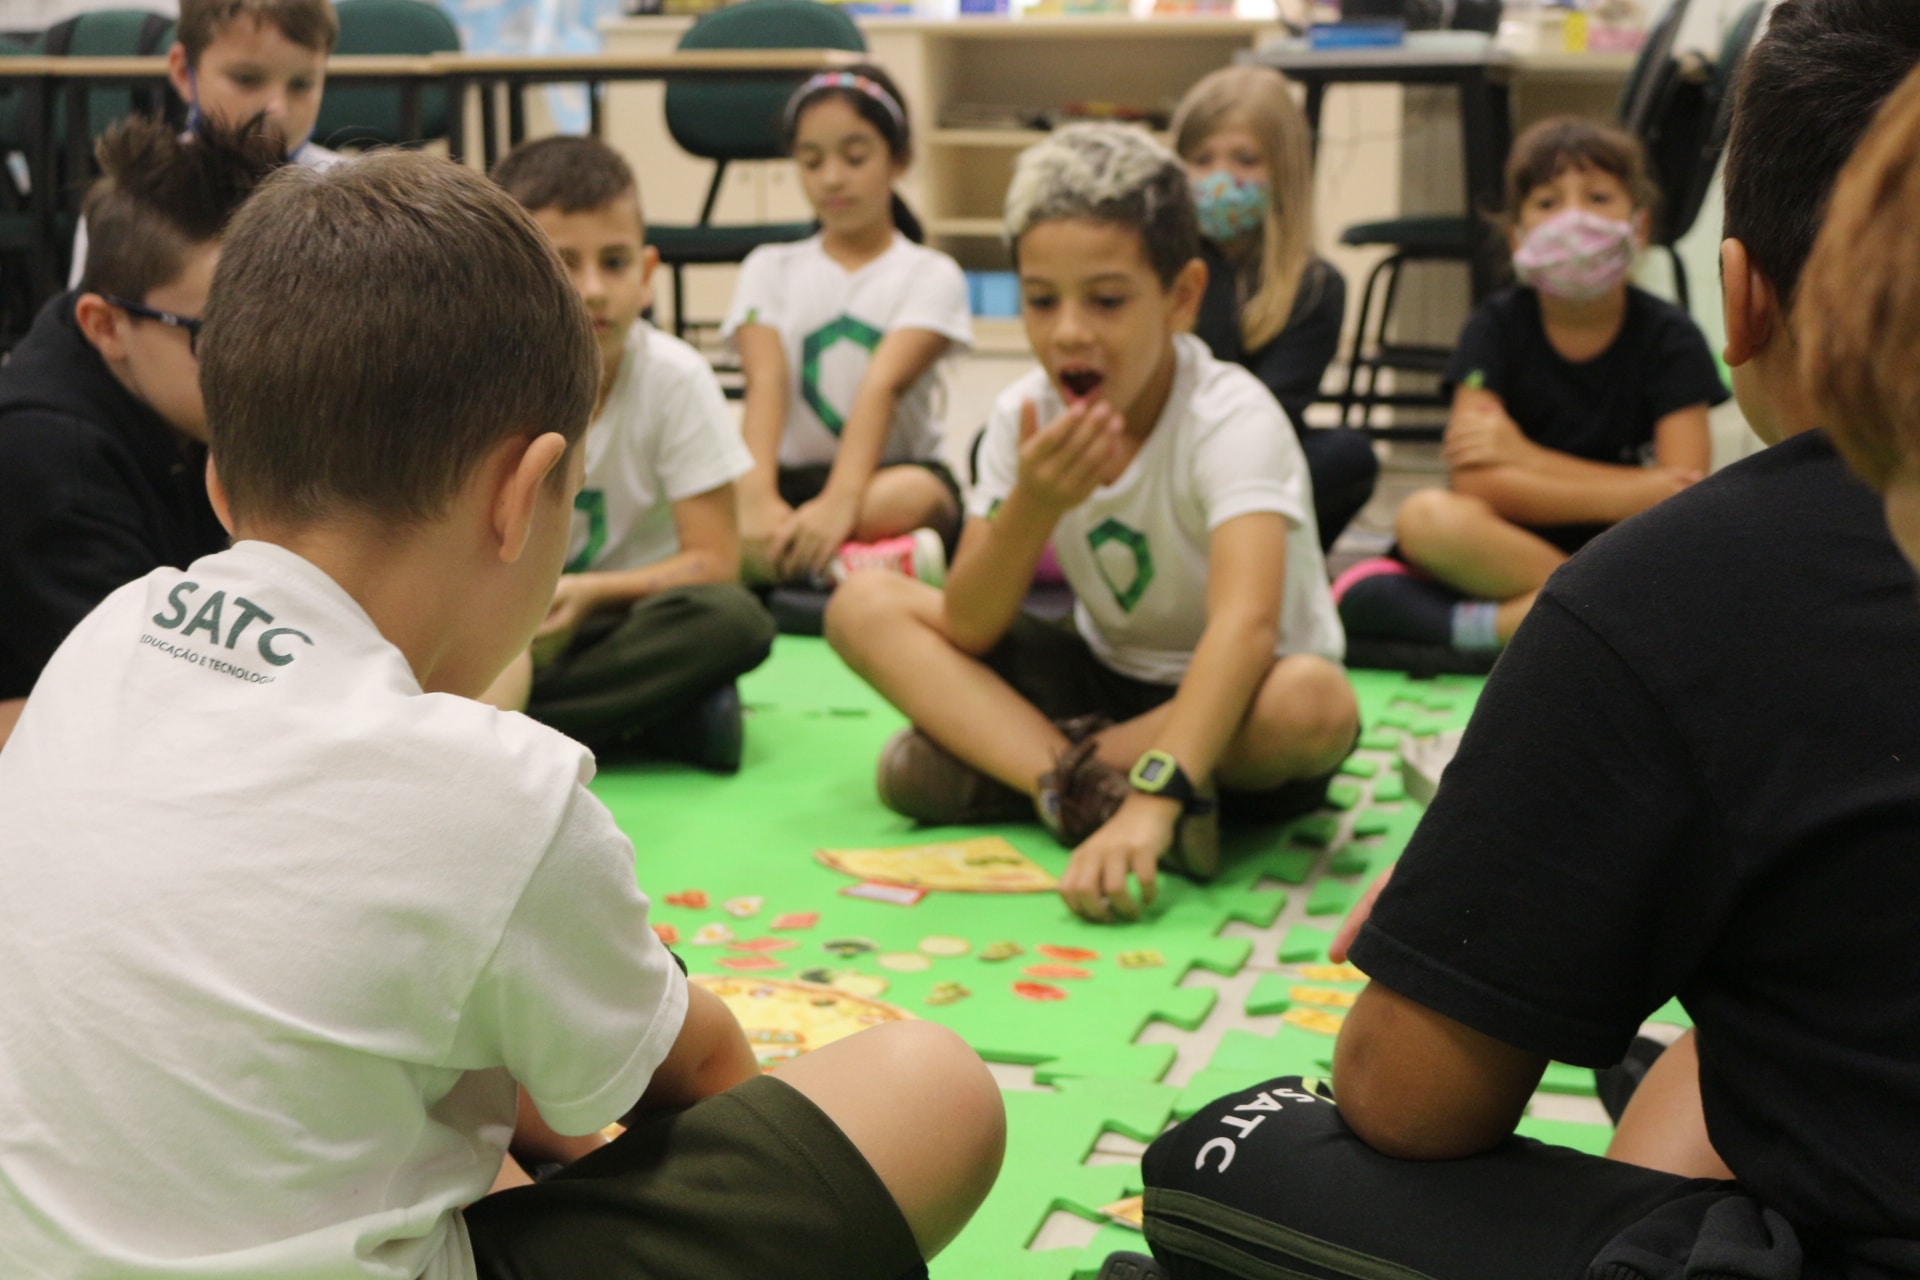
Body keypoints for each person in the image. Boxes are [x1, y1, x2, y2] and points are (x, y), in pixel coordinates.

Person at [0, 150, 1004, 1278]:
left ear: (223, 481)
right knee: (935, 1090)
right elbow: (708, 1078)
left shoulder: (103, 636)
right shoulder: (495, 787)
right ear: (523, 497)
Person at [1136, 4, 1920, 1276]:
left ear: (1743, 297)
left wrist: (1523, 878)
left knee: (1220, 1155)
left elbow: (1405, 1097)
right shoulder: (1633, 521)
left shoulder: (1684, 586)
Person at [826, 124, 1357, 925]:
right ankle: (1076, 789)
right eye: (1041, 300)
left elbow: (1246, 630)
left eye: (1107, 300)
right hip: (1100, 685)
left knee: (1315, 702)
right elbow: (969, 624)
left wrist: (1152, 800)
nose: (1069, 330)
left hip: (1240, 693)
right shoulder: (1021, 416)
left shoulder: (1231, 415)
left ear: (1180, 297)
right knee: (861, 603)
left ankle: (1044, 776)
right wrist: (1032, 506)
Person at [1337, 116, 1725, 657]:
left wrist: (1524, 456)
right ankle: (1591, 617)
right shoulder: (1493, 328)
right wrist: (1637, 488)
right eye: (1547, 202)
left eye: (1597, 197)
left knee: (1693, 564)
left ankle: (1485, 629)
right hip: (1507, 547)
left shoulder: (1671, 337)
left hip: (1622, 547)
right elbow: (1476, 485)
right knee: (1427, 516)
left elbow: (1684, 497)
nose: (1572, 217)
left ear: (1638, 227)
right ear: (1517, 236)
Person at [485, 135, 774, 773]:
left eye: (614, 264)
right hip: (495, 624)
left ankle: (511, 731)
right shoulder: (477, 382)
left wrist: (588, 593)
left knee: (732, 619)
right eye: (565, 264)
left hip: (610, 623)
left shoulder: (676, 378)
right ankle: (659, 719)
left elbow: (716, 560)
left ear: (647, 275)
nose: (592, 290)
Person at [0, 116, 279, 753]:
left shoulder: (177, 390)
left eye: (283, 322)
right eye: (219, 336)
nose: (267, 363)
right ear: (104, 325)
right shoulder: (48, 463)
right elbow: (156, 711)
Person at [723, 64, 972, 589]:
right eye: (811, 162)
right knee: (714, 510)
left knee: (914, 498)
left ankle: (791, 560)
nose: (832, 178)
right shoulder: (768, 266)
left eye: (855, 158)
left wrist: (841, 502)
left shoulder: (931, 272)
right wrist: (757, 499)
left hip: (883, 481)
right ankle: (850, 563)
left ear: (898, 159)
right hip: (792, 484)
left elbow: (884, 386)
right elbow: (765, 382)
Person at [1173, 64, 1378, 552]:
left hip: (1247, 461)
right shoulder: (1160, 268)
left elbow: (1268, 418)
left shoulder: (1313, 287)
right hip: (1152, 449)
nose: (1222, 178)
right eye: (1202, 160)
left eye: (1246, 160)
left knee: (1348, 457)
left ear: (1284, 171)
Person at [68, 0, 341, 285]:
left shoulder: (356, 197)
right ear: (184, 73)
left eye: (302, 84)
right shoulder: (129, 200)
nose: (277, 109)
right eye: (246, 79)